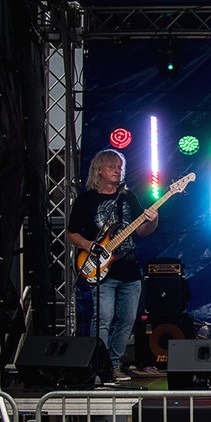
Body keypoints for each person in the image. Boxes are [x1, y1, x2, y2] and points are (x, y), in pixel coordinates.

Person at [66, 149, 158, 381]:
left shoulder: (128, 197)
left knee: (127, 320)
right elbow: (71, 233)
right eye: (112, 167)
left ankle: (113, 364)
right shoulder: (86, 200)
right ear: (99, 171)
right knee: (103, 318)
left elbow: (142, 231)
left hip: (129, 270)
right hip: (101, 269)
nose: (118, 171)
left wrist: (153, 221)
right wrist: (88, 245)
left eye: (119, 167)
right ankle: (99, 366)